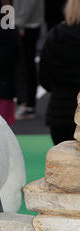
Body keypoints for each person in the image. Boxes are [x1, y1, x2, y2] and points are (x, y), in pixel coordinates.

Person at [39, 0, 80, 145]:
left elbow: (44, 76)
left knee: (63, 164)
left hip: (59, 112)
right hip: (70, 111)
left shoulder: (55, 35)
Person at [13, 0, 45, 120]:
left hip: (27, 25)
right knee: (26, 65)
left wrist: (19, 23)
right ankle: (27, 104)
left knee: (26, 65)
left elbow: (29, 2)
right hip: (25, 23)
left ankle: (28, 104)